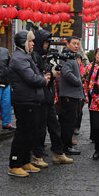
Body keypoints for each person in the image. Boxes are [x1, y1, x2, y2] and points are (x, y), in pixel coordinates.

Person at [7, 30, 51, 177]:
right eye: (30, 41)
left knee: (30, 132)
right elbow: (32, 78)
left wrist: (42, 77)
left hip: (32, 100)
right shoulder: (19, 58)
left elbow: (36, 74)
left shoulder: (26, 56)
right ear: (23, 42)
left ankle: (25, 161)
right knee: (23, 133)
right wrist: (43, 80)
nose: (33, 44)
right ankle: (14, 164)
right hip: (24, 100)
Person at [32, 29, 73, 166]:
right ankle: (36, 156)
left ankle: (58, 153)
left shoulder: (43, 55)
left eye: (48, 43)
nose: (47, 45)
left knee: (55, 127)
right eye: (45, 42)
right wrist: (51, 73)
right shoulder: (34, 56)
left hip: (47, 97)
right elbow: (37, 76)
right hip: (39, 98)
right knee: (40, 129)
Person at [58, 36, 84, 155]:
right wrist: (78, 82)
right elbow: (67, 73)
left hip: (72, 94)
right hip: (68, 95)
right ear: (67, 44)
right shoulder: (66, 56)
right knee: (68, 122)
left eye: (78, 44)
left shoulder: (71, 56)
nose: (76, 46)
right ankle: (66, 147)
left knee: (68, 121)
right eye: (74, 43)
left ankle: (66, 144)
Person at [84, 48, 99, 141]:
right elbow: (85, 81)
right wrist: (86, 95)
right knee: (93, 116)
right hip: (92, 94)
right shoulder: (89, 66)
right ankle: (94, 135)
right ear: (95, 55)